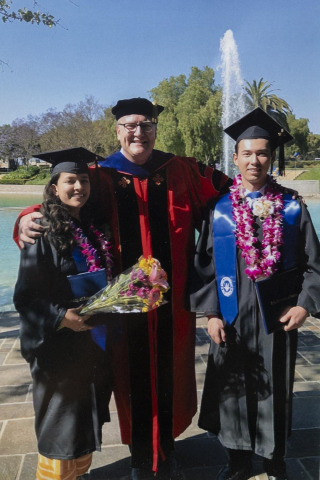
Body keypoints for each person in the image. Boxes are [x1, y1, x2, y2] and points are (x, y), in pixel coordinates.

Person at [13, 98, 232, 480]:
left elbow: (234, 199)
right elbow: (60, 207)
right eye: (129, 125)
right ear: (117, 131)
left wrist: (279, 202)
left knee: (171, 379)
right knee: (130, 381)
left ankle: (164, 451)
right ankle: (139, 457)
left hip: (172, 308)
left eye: (146, 125)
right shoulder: (98, 175)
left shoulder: (183, 170)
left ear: (155, 129)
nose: (138, 133)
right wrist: (24, 221)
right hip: (119, 310)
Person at [189, 107, 320, 480]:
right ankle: (238, 460)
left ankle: (274, 458)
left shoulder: (293, 207)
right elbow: (204, 267)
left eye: (262, 152)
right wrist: (211, 313)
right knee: (231, 387)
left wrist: (305, 306)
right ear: (235, 157)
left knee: (276, 386)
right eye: (247, 153)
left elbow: (315, 263)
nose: (255, 160)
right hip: (230, 316)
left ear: (271, 157)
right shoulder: (218, 210)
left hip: (276, 319)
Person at [13, 148, 113, 480]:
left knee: (81, 427)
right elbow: (26, 295)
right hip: (56, 348)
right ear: (55, 186)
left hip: (87, 346)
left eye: (84, 180)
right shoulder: (41, 228)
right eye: (70, 180)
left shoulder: (91, 228)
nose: (78, 187)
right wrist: (63, 318)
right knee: (60, 430)